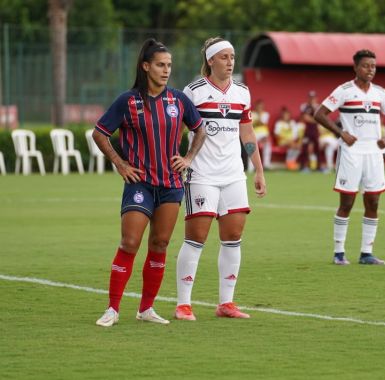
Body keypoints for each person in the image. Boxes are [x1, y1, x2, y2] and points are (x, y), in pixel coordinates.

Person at [93, 38, 207, 327]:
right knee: (130, 242)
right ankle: (112, 309)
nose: (166, 70)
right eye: (160, 65)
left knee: (160, 243)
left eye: (169, 65)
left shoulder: (179, 100)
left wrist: (188, 158)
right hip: (139, 184)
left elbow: (200, 130)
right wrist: (120, 164)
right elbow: (99, 132)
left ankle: (146, 309)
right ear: (146, 67)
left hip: (171, 184)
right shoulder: (128, 101)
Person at [174, 37, 267, 321]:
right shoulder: (194, 91)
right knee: (196, 238)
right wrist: (182, 159)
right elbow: (176, 129)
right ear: (211, 60)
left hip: (233, 176)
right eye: (224, 57)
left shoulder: (242, 92)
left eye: (233, 57)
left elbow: (247, 132)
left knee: (233, 237)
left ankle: (226, 303)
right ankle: (183, 304)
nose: (230, 62)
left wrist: (258, 170)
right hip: (201, 175)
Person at [314, 49, 385, 266]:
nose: (371, 70)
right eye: (366, 66)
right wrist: (341, 133)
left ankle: (366, 253)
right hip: (351, 152)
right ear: (356, 68)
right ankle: (339, 252)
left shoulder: (380, 93)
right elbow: (319, 113)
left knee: (374, 201)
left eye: (373, 66)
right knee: (347, 202)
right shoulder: (344, 90)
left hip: (374, 153)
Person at [299, 90, 321, 172]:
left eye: (313, 97)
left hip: (315, 130)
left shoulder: (318, 106)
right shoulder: (305, 106)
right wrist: (315, 120)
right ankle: (303, 166)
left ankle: (318, 167)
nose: (312, 99)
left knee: (317, 148)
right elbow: (305, 118)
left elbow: (320, 118)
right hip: (307, 130)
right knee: (305, 147)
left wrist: (314, 119)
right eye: (310, 97)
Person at [250, 99, 272, 170]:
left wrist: (259, 115)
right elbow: (250, 125)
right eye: (258, 106)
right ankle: (251, 167)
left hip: (264, 135)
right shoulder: (251, 113)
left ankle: (266, 164)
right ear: (256, 106)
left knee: (268, 144)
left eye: (261, 106)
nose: (259, 108)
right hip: (254, 134)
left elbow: (262, 123)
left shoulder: (265, 114)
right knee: (250, 146)